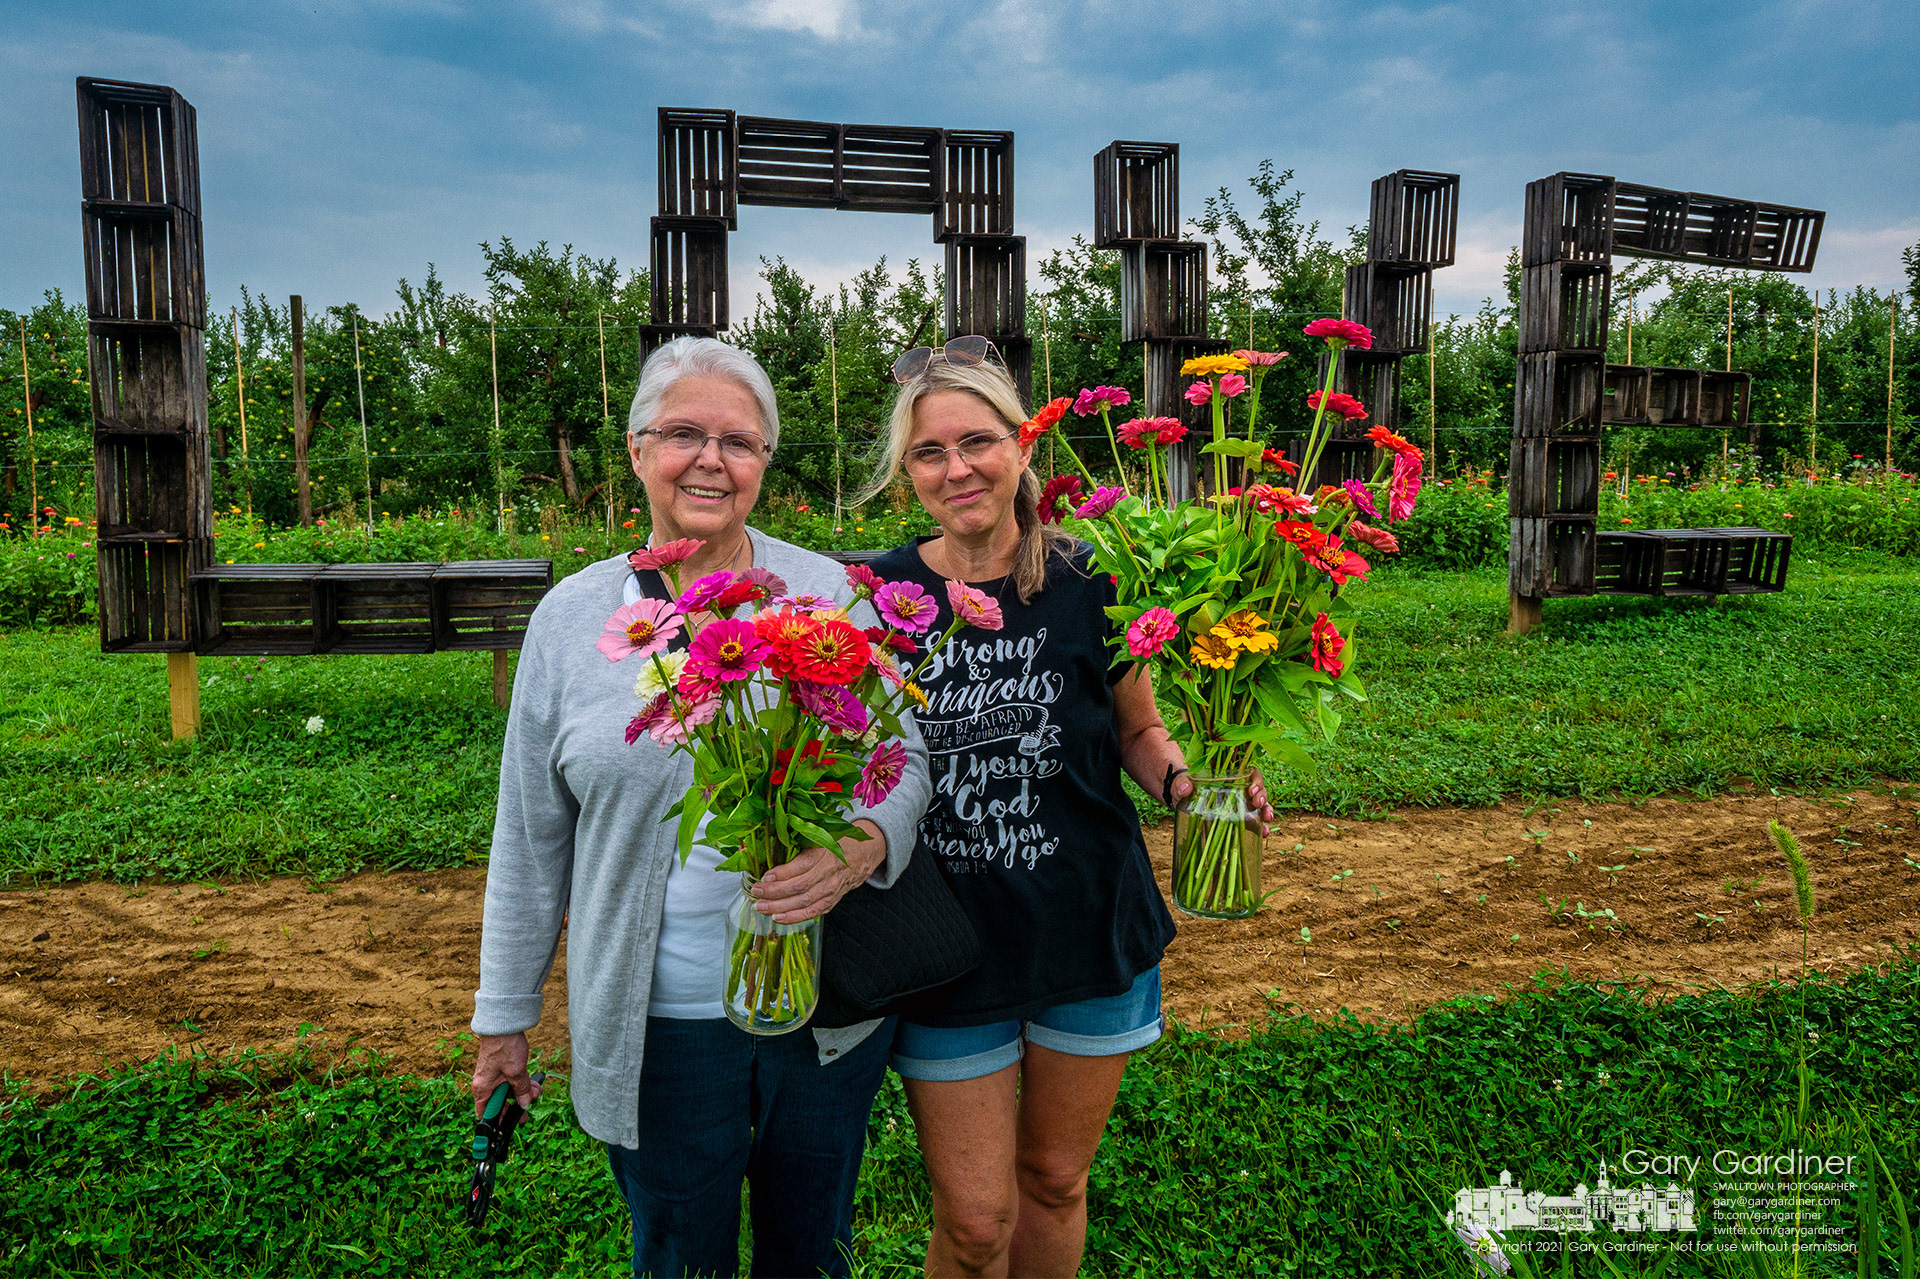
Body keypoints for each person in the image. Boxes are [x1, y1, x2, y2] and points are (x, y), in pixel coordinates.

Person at [471, 336, 931, 1279]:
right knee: (680, 1258)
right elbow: (528, 835)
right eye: (683, 433)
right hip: (659, 1031)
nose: (711, 459)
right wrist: (504, 1013)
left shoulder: (827, 593)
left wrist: (861, 844)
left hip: (819, 1010)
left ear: (765, 461)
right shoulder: (572, 617)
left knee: (814, 1252)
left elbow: (903, 752)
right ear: (637, 451)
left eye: (740, 440)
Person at [859, 342, 1274, 1278]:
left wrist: (1188, 788)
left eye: (978, 441)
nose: (956, 467)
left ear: (1020, 447)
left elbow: (1139, 729)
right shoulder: (881, 599)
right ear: (907, 469)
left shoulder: (1092, 578)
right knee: (973, 1219)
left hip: (1086, 920)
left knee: (1052, 1177)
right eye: (930, 451)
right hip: (947, 945)